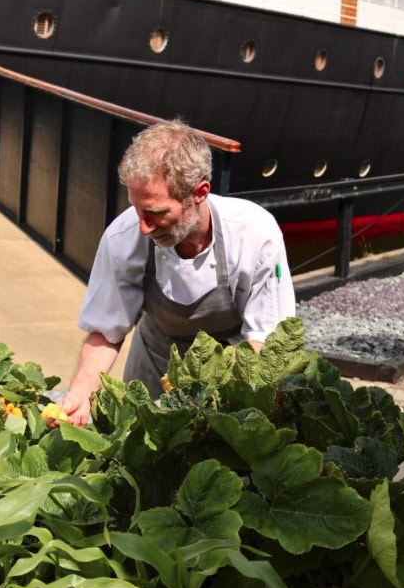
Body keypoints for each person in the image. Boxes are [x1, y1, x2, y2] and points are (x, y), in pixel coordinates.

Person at [56, 119, 296, 426]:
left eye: (156, 213)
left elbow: (263, 339)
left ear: (199, 192)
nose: (143, 226)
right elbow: (105, 329)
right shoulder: (122, 237)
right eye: (136, 208)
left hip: (233, 364)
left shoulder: (256, 234)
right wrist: (80, 393)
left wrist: (208, 400)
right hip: (155, 359)